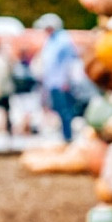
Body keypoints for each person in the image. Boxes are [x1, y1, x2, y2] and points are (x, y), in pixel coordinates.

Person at [31, 14, 91, 142]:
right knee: (59, 111)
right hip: (53, 83)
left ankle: (68, 137)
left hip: (61, 83)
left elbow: (69, 63)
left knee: (66, 111)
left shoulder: (63, 41)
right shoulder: (51, 40)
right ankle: (65, 136)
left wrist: (66, 81)